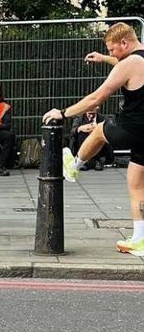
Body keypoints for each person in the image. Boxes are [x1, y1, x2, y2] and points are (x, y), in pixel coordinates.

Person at [43, 21, 144, 257]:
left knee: (98, 130)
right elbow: (125, 64)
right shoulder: (139, 58)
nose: (112, 54)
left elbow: (96, 98)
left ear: (124, 42)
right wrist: (104, 58)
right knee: (136, 181)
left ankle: (74, 166)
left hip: (132, 126)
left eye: (112, 49)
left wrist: (63, 113)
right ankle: (140, 239)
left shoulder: (128, 63)